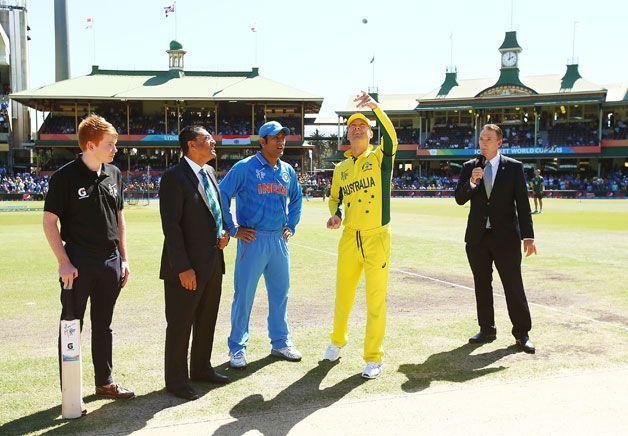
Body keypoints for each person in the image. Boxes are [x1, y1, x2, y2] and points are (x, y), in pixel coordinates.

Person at [42, 114, 134, 414]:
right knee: (72, 325)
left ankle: (104, 382)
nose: (115, 149)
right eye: (110, 144)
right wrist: (63, 262)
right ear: (91, 145)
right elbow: (49, 222)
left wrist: (124, 257)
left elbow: (119, 218)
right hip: (78, 262)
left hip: (110, 262)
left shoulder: (115, 174)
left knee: (104, 326)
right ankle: (71, 392)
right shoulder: (64, 177)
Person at [323, 91, 398, 379]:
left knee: (375, 300)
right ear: (347, 134)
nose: (356, 128)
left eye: (362, 125)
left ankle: (373, 357)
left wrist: (376, 108)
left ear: (369, 133)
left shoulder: (380, 157)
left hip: (377, 237)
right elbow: (335, 198)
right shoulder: (341, 168)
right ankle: (337, 341)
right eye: (352, 126)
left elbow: (391, 138)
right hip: (350, 238)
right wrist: (336, 213)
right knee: (343, 295)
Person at [219, 120, 303, 368]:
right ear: (262, 142)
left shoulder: (287, 170)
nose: (281, 142)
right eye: (275, 138)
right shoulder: (244, 168)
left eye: (283, 138)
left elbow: (296, 198)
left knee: (280, 294)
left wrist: (291, 224)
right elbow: (223, 193)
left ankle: (280, 342)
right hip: (252, 240)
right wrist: (233, 229)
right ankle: (237, 347)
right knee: (244, 295)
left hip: (278, 239)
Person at [159, 126, 230, 401]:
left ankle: (201, 368)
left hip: (213, 262)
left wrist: (222, 233)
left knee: (206, 320)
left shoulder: (210, 172)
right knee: (180, 323)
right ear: (191, 145)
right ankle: (176, 381)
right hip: (186, 268)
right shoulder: (173, 177)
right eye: (207, 140)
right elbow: (172, 227)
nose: (214, 143)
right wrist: (182, 268)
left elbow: (215, 213)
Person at [454, 124, 537, 354]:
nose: (483, 142)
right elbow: (459, 199)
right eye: (481, 138)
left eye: (488, 138)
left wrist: (528, 236)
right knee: (482, 285)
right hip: (477, 238)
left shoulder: (514, 168)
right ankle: (487, 329)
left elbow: (522, 204)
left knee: (513, 285)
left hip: (507, 238)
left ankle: (522, 333)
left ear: (499, 142)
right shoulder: (470, 167)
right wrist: (472, 182)